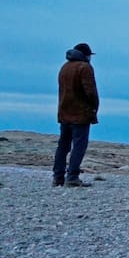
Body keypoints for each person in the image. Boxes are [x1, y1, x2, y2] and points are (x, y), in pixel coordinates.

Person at [53, 42, 99, 187]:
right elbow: (90, 91)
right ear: (87, 55)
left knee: (63, 146)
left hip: (64, 112)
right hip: (80, 114)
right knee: (79, 146)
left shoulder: (64, 67)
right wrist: (94, 108)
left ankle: (58, 177)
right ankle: (72, 176)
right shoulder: (85, 68)